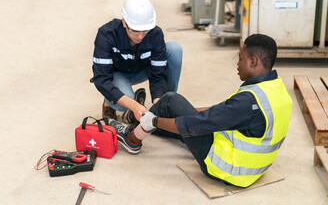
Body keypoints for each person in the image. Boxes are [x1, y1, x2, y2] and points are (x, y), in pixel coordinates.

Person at [110, 34, 292, 188]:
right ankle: (145, 121)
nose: (237, 64)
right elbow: (222, 110)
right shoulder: (275, 89)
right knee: (175, 117)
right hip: (253, 167)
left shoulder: (247, 101)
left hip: (227, 168)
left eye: (240, 58)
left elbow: (195, 124)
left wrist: (155, 121)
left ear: (253, 61)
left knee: (169, 100)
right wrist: (179, 113)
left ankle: (132, 136)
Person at [91, 0, 183, 122]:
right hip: (118, 75)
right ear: (124, 23)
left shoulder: (155, 33)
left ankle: (168, 103)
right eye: (134, 30)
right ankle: (110, 103)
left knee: (174, 49)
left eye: (144, 31)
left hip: (142, 70)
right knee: (121, 103)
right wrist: (133, 105)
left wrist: (159, 104)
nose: (140, 36)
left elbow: (158, 74)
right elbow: (101, 79)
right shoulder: (106, 34)